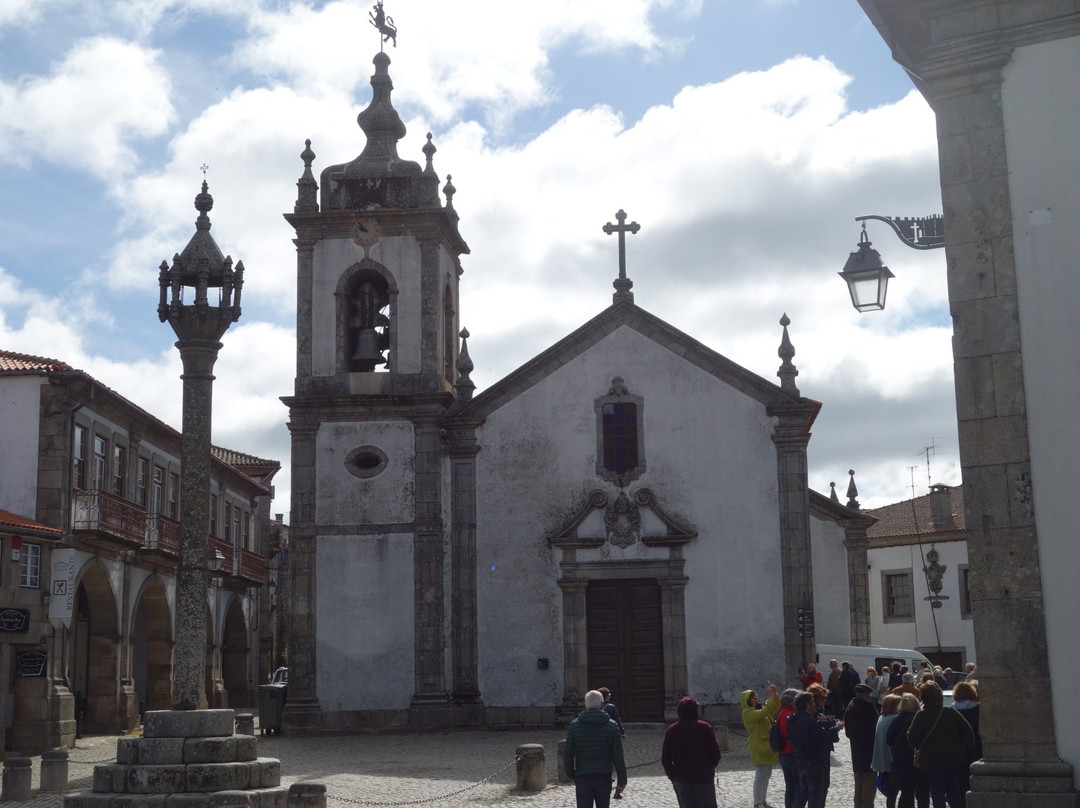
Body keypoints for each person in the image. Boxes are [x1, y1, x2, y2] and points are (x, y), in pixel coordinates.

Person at [908, 681, 974, 808]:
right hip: (952, 758)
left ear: (923, 697)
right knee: (953, 789)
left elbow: (912, 741)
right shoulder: (950, 712)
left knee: (937, 791)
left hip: (931, 761)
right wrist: (960, 751)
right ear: (940, 696)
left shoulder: (921, 715)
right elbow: (968, 733)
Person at [564, 690, 627, 808]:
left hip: (583, 776)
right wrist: (622, 780)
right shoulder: (612, 726)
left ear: (585, 705)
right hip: (603, 776)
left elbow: (567, 753)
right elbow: (618, 756)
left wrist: (571, 774)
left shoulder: (575, 725)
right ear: (602, 705)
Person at [661, 695, 722, 808]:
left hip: (682, 779)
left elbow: (665, 758)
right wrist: (709, 767)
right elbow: (715, 752)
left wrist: (673, 776)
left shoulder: (671, 730)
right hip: (703, 778)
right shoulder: (705, 728)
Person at [788, 690, 842, 808]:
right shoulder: (808, 720)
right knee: (815, 797)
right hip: (813, 763)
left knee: (802, 795)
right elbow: (823, 737)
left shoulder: (793, 719)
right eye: (812, 702)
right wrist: (835, 727)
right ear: (807, 704)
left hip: (800, 761)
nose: (814, 704)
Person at [886, 693, 929, 808]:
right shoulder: (919, 719)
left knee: (907, 794)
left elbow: (888, 740)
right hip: (918, 761)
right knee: (922, 795)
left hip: (901, 762)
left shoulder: (896, 720)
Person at [741, 684, 780, 808]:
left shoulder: (759, 708)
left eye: (756, 697)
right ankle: (757, 803)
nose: (756, 699)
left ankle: (763, 801)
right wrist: (769, 702)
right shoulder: (747, 712)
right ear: (747, 700)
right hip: (758, 746)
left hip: (767, 745)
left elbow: (773, 708)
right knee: (760, 776)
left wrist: (774, 696)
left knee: (767, 775)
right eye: (753, 697)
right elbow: (763, 712)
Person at [845, 683, 880, 808]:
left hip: (856, 750)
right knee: (868, 787)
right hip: (870, 751)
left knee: (858, 783)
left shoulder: (850, 707)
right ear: (866, 695)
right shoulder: (869, 709)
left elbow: (848, 733)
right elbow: (876, 730)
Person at [951, 681, 981, 807]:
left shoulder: (952, 711)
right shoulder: (980, 709)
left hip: (959, 753)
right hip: (977, 751)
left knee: (962, 784)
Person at [873, 694, 903, 808]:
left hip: (883, 761)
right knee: (901, 791)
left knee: (891, 794)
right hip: (892, 761)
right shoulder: (894, 719)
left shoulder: (882, 718)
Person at [774, 688, 803, 808]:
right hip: (792, 752)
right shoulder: (792, 715)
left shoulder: (780, 713)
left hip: (782, 753)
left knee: (789, 787)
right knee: (798, 788)